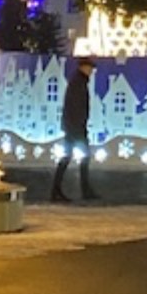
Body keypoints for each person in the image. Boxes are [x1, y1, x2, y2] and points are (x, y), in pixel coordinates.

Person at [50, 56, 97, 203]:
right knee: (80, 157)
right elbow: (76, 107)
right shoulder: (78, 83)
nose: (91, 71)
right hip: (75, 128)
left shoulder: (78, 81)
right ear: (83, 67)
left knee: (70, 157)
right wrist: (78, 127)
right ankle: (83, 190)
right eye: (90, 68)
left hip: (73, 126)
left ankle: (58, 190)